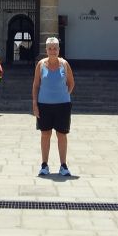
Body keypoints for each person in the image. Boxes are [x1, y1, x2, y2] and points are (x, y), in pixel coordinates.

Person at [32, 37, 75, 177]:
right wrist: (35, 103)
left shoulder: (65, 64)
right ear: (46, 50)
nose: (52, 51)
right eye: (50, 48)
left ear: (58, 49)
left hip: (62, 105)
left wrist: (64, 94)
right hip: (44, 105)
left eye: (55, 48)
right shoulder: (40, 64)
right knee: (45, 134)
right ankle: (44, 165)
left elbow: (71, 83)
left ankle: (63, 165)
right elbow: (36, 85)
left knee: (62, 135)